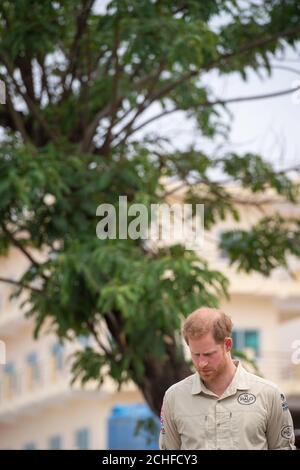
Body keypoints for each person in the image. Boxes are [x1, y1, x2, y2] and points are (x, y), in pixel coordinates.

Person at [159, 307, 296, 450]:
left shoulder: (269, 394)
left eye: (209, 354)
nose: (201, 363)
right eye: (196, 354)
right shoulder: (174, 397)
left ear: (228, 345)